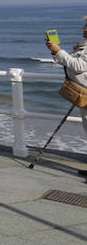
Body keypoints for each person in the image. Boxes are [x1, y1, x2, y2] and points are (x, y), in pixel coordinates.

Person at [46, 15, 87, 179]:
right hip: (83, 92)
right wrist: (55, 51)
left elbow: (79, 65)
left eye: (86, 26)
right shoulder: (83, 46)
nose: (83, 29)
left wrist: (58, 51)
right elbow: (69, 62)